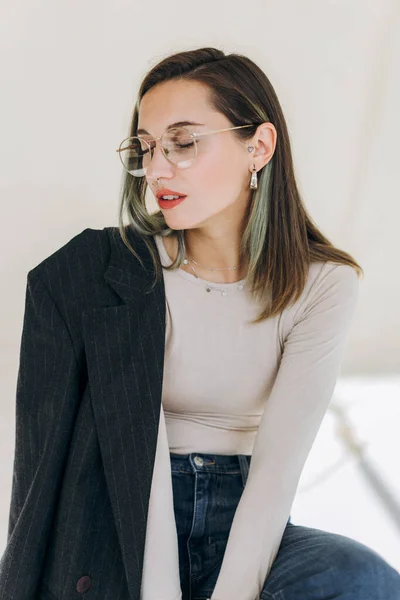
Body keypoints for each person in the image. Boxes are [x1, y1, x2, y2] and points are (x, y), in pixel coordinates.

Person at [1, 46, 399, 600]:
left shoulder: (322, 284)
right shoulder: (95, 274)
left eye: (183, 143)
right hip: (114, 527)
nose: (157, 168)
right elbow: (40, 473)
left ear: (258, 146)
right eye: (146, 148)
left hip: (248, 523)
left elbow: (275, 477)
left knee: (360, 579)